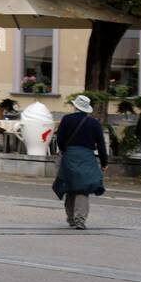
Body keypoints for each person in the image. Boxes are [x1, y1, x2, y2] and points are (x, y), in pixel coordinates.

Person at [52, 94, 108, 230]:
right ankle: (80, 220)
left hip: (70, 155)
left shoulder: (66, 119)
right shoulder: (94, 123)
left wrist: (65, 150)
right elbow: (101, 145)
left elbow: (59, 139)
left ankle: (71, 218)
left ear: (75, 106)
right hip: (87, 157)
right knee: (83, 188)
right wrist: (104, 162)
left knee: (70, 186)